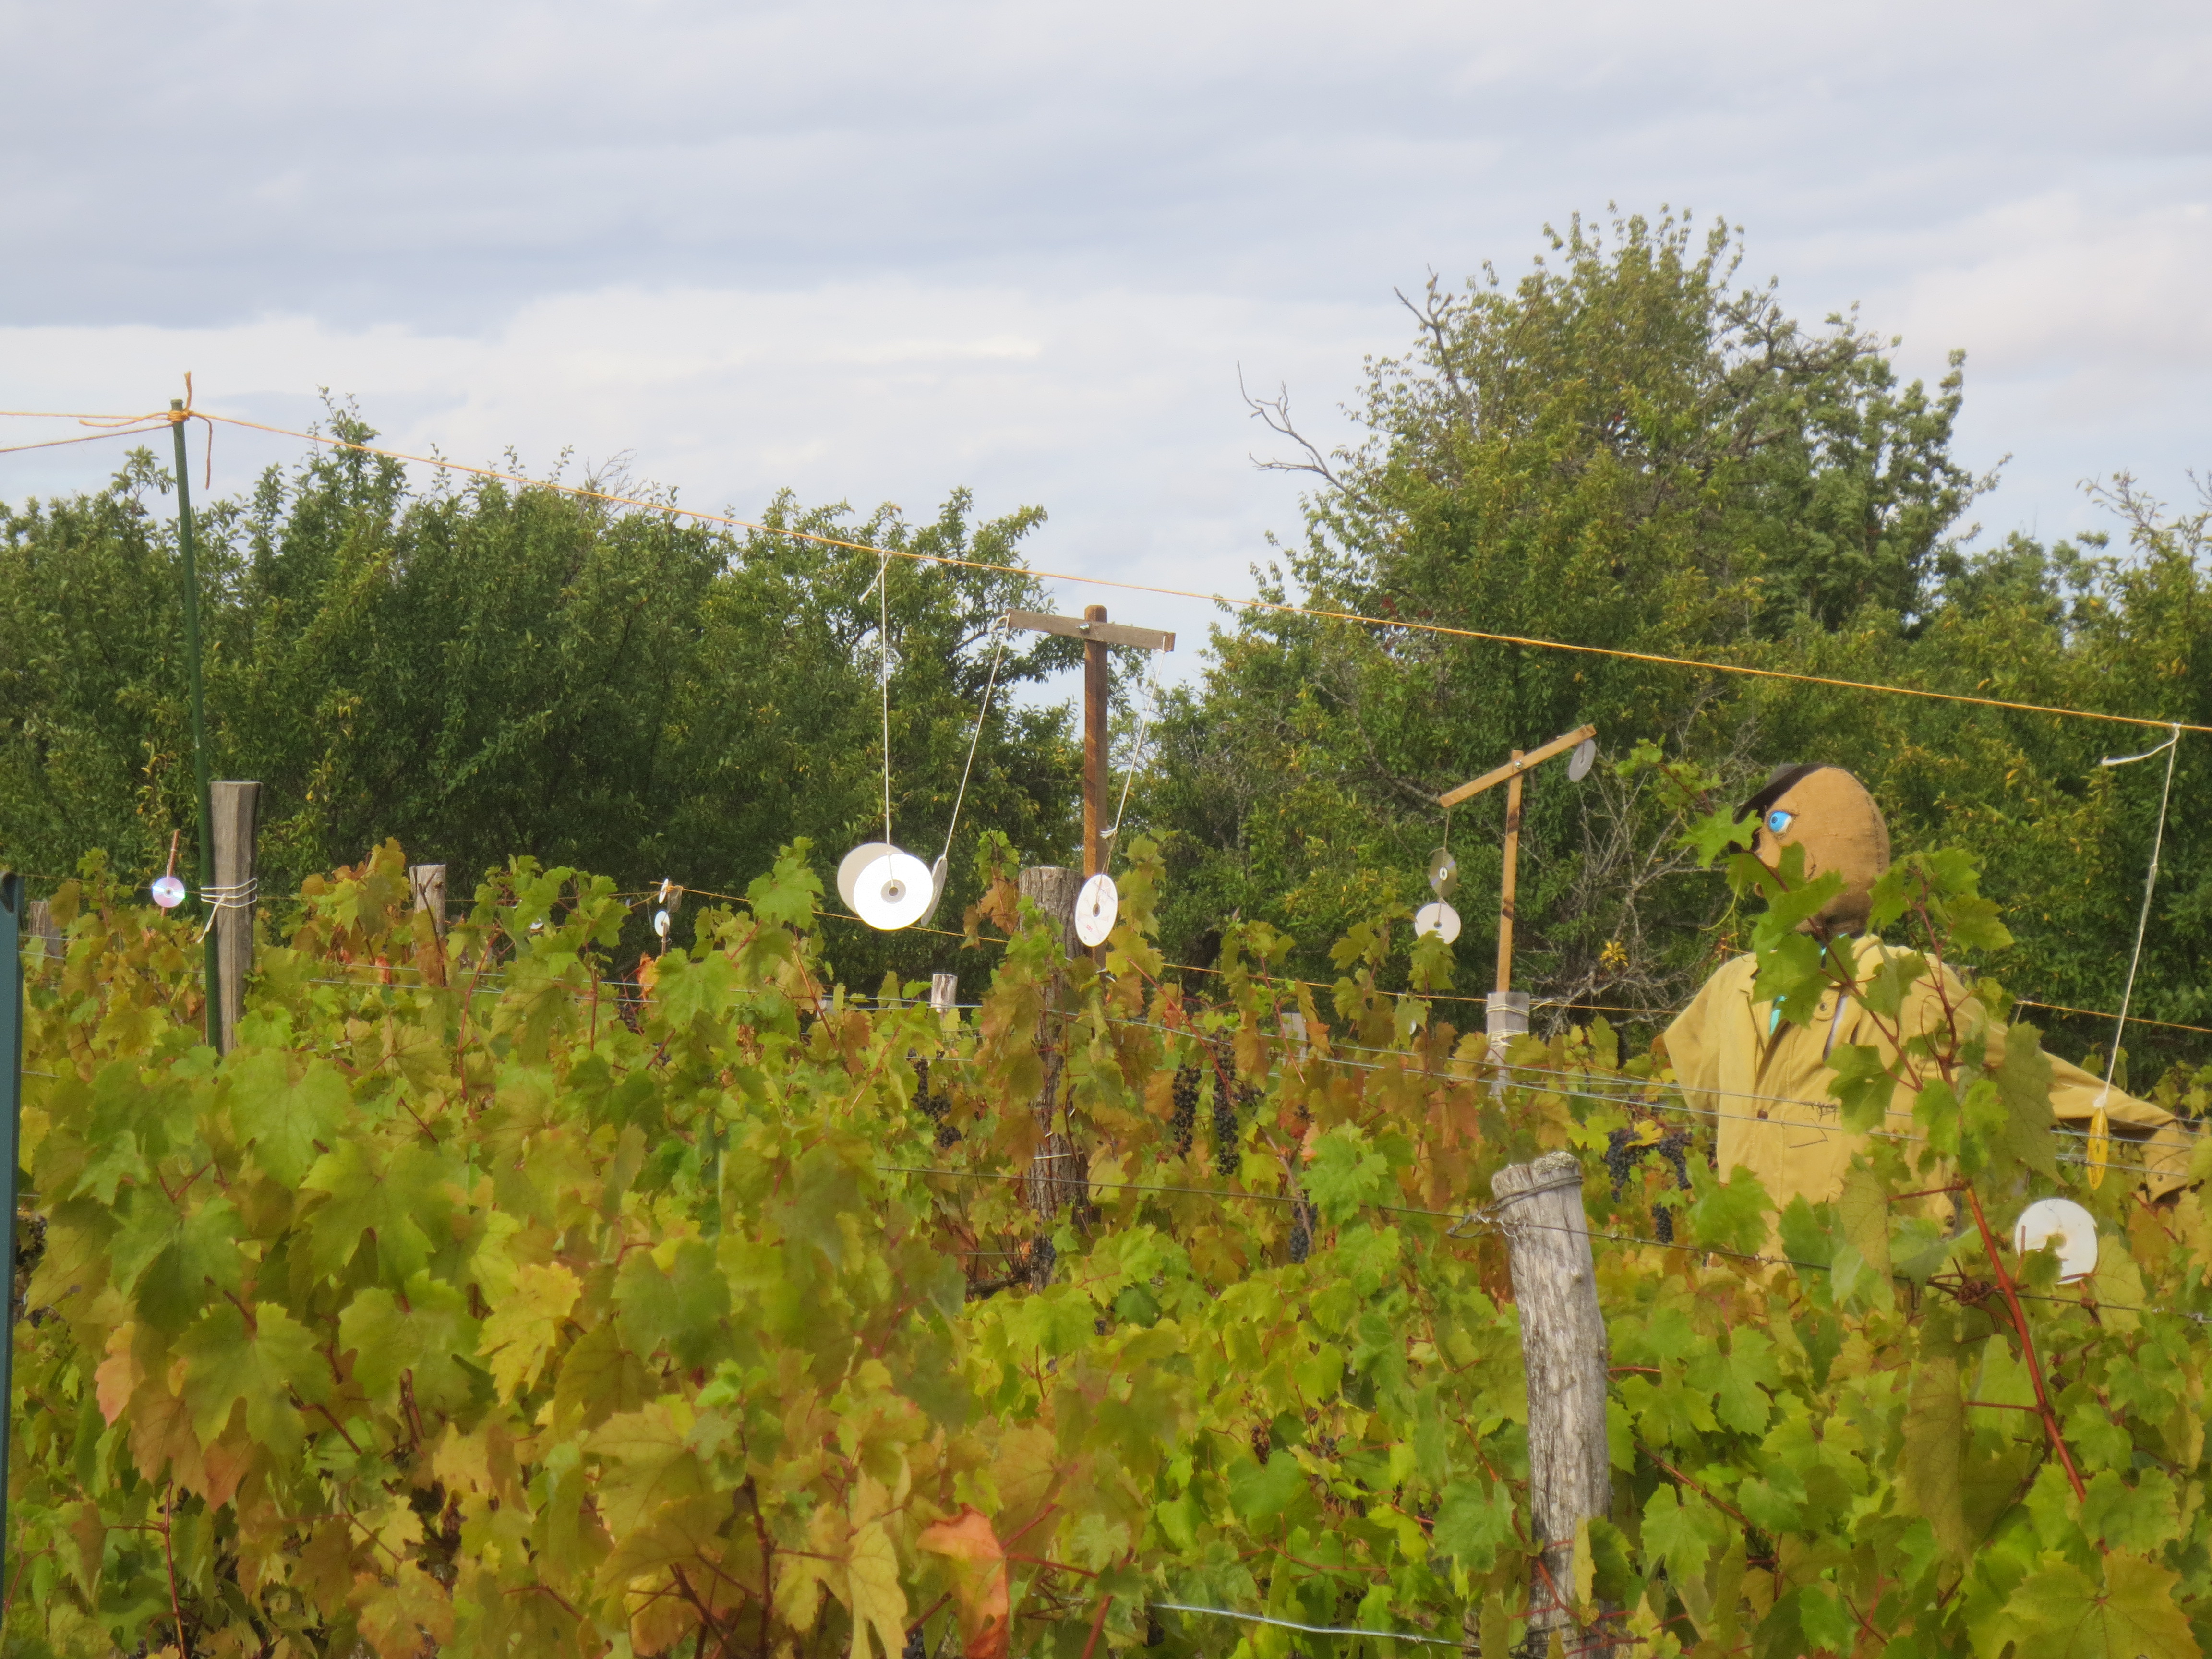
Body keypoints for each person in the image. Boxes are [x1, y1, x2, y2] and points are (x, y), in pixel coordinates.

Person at [1661, 764, 2193, 1213]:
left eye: (1777, 829)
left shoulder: (1908, 983)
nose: (1763, 859)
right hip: (1743, 1276)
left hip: (1864, 1281)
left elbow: (2036, 1081)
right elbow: (1706, 1100)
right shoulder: (1735, 986)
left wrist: (2159, 1137)